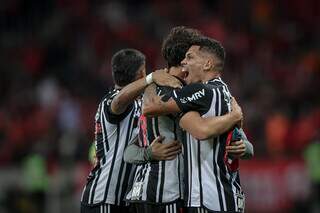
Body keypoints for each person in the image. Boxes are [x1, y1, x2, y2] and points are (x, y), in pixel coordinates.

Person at [125, 27, 253, 213]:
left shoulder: (175, 92)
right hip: (170, 197)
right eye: (187, 57)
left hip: (144, 195)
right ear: (182, 64)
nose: (187, 62)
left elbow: (129, 151)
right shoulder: (190, 93)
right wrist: (235, 119)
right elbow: (202, 130)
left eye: (191, 57)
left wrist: (150, 80)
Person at [80, 48, 182, 213]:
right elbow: (119, 101)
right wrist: (151, 78)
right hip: (104, 198)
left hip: (124, 200)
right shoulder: (110, 100)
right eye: (146, 72)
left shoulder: (143, 104)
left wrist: (149, 152)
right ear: (142, 73)